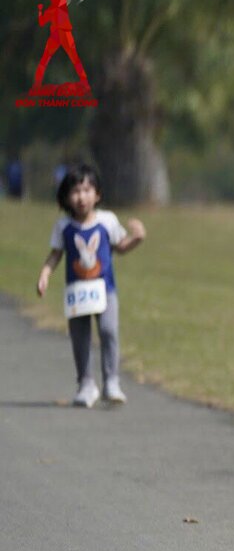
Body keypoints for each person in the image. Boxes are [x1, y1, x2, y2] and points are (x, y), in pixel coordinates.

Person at [35, 164, 146, 407]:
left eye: (87, 190)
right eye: (75, 191)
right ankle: (86, 385)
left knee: (108, 331)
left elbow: (120, 247)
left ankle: (111, 382)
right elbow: (55, 254)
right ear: (66, 197)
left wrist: (136, 239)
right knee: (80, 337)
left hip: (105, 290)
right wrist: (45, 274)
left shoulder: (107, 221)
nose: (81, 196)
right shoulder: (63, 227)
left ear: (97, 194)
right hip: (77, 293)